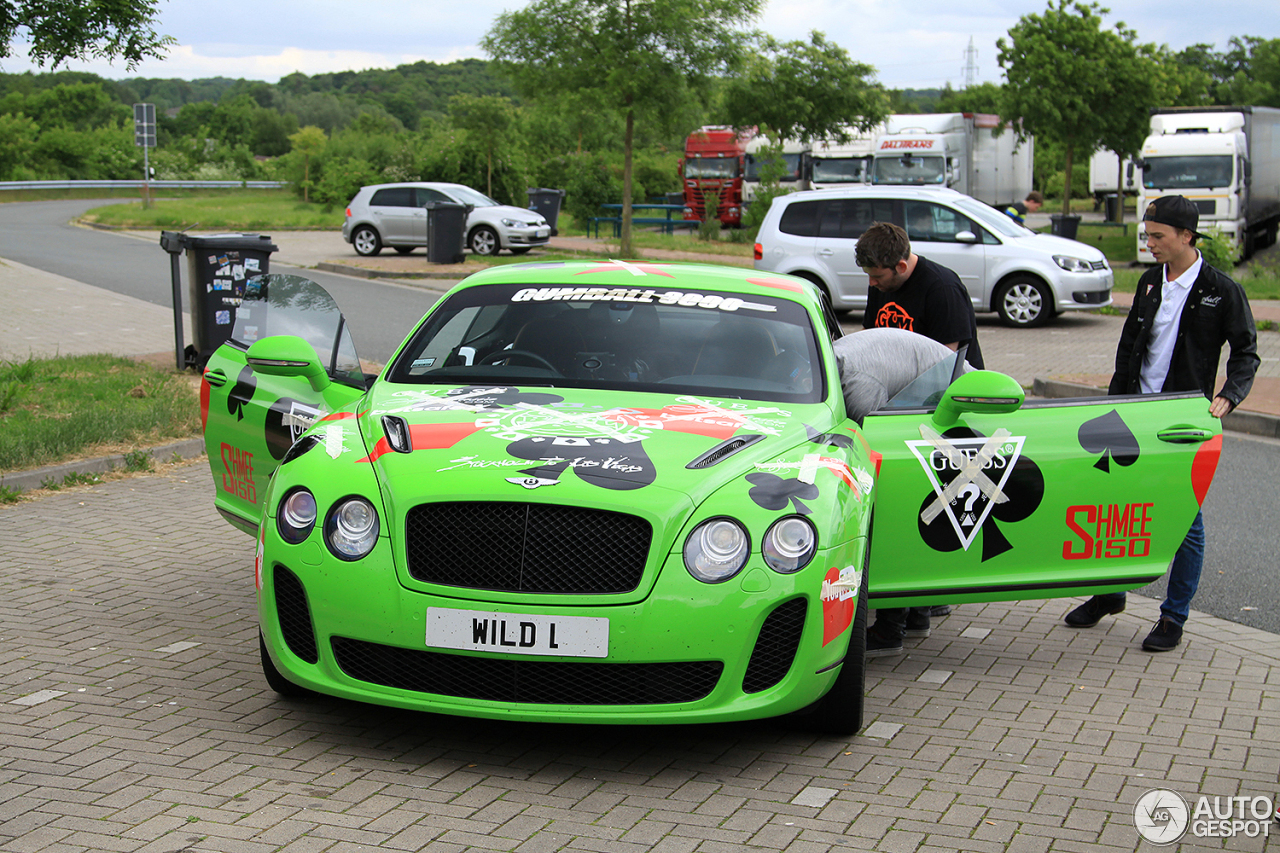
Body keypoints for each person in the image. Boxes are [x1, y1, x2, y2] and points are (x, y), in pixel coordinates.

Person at [1063, 195, 1259, 651]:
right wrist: (1110, 408)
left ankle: (1174, 616)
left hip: (1180, 422)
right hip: (1132, 413)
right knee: (1116, 508)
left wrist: (1229, 396)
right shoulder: (1151, 282)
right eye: (1146, 234)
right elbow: (1129, 345)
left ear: (1187, 237)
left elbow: (1246, 352)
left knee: (1184, 519)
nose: (1149, 243)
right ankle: (1109, 594)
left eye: (1158, 236)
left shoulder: (1221, 290)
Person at [854, 221, 985, 654]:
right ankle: (918, 607)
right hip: (897, 404)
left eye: (878, 278)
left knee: (924, 501)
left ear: (902, 264)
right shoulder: (883, 281)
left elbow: (945, 363)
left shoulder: (941, 287)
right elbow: (876, 339)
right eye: (869, 278)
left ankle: (915, 606)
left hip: (938, 403)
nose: (873, 286)